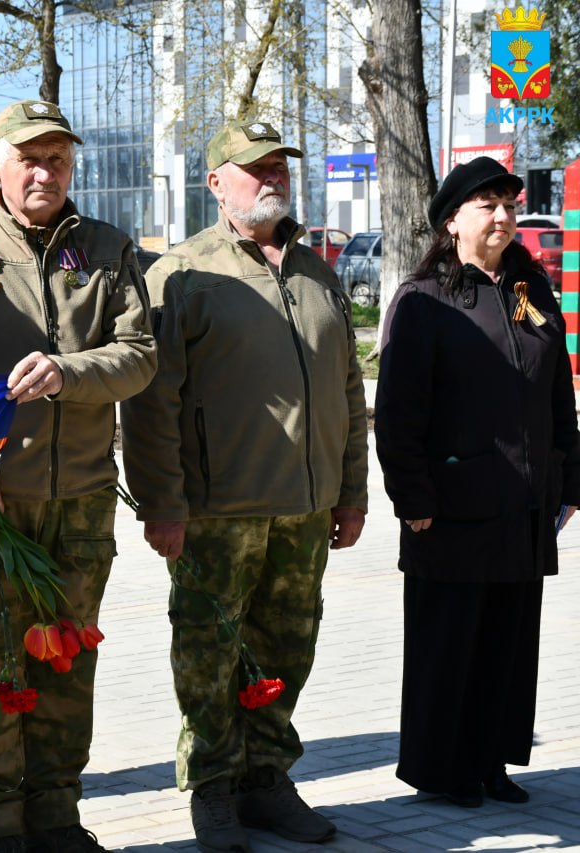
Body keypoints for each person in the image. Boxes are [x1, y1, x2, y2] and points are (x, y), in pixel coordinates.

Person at [0, 98, 156, 853]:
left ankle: (56, 816)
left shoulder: (107, 248)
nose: (44, 171)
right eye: (28, 158)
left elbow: (140, 356)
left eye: (57, 158)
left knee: (68, 662)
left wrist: (68, 373)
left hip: (80, 500)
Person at [120, 119, 369, 853]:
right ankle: (213, 787)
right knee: (209, 651)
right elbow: (152, 402)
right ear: (215, 183)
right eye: (255, 168)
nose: (271, 178)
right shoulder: (183, 273)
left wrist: (352, 490)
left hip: (307, 505)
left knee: (287, 647)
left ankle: (266, 779)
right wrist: (162, 503)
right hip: (216, 510)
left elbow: (347, 389)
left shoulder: (317, 270)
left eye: (279, 167)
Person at [374, 156, 580, 808]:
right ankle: (445, 769)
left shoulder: (530, 292)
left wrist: (570, 479)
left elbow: (557, 394)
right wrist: (412, 496)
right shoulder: (425, 299)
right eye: (487, 205)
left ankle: (492, 760)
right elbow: (398, 412)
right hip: (452, 505)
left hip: (524, 504)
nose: (503, 217)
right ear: (452, 221)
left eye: (509, 205)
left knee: (508, 641)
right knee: (449, 642)